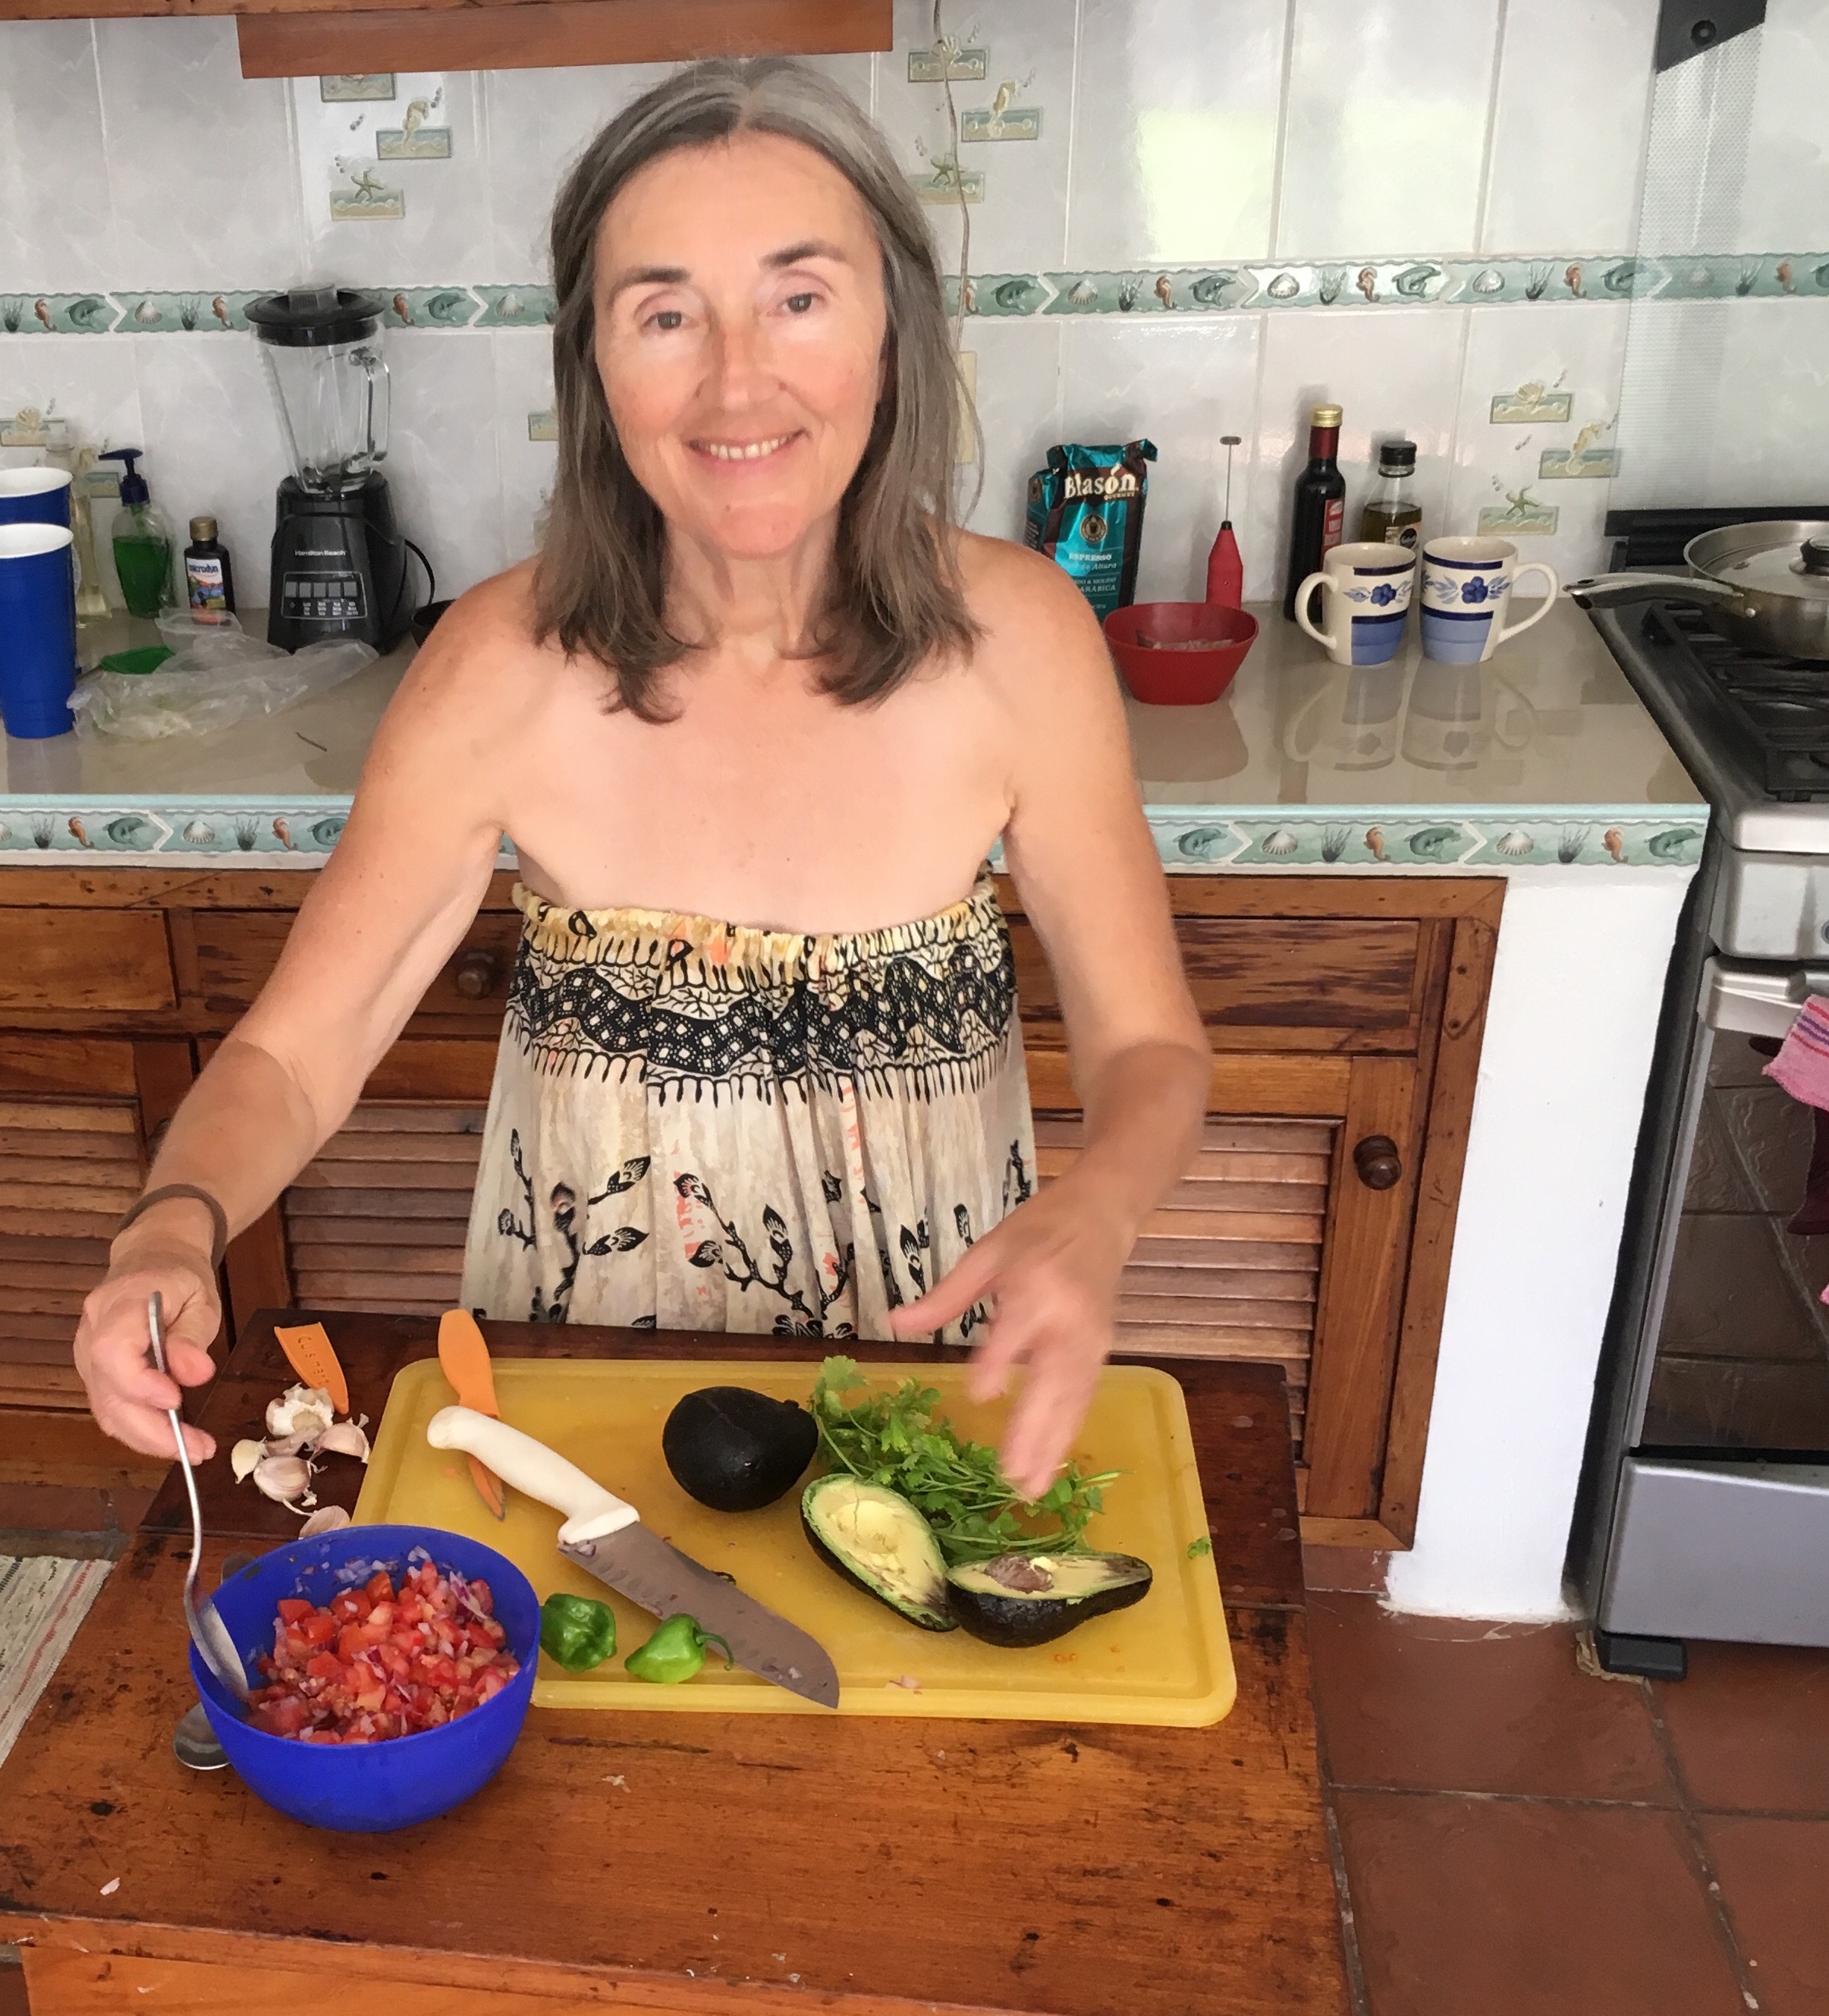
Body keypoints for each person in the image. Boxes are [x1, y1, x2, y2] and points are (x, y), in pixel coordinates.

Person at [74, 58, 1207, 1502]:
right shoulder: (498, 665)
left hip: (923, 1389)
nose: (738, 379)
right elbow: (295, 1056)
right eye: (666, 314)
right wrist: (168, 1227)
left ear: (894, 329)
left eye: (800, 298)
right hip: (579, 1423)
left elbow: (1148, 1046)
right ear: (596, 368)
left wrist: (1102, 1209)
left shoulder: (1024, 641)